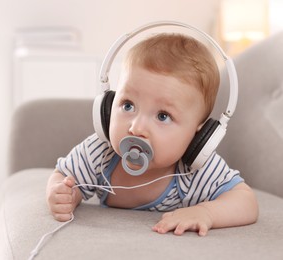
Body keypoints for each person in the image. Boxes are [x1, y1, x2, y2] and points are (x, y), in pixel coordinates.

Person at [46, 33, 259, 236]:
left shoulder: (194, 171)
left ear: (200, 133)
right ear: (109, 105)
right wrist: (65, 194)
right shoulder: (101, 153)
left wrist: (206, 213)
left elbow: (246, 201)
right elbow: (63, 175)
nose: (136, 128)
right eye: (128, 105)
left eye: (163, 116)